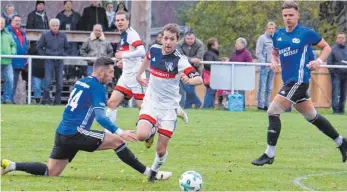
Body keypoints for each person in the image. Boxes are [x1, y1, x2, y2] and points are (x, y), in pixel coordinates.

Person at [1, 57, 172, 180]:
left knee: (51, 172)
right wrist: (120, 132)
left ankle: (13, 165)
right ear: (100, 71)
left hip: (62, 133)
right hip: (76, 133)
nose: (113, 76)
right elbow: (100, 117)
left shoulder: (81, 81)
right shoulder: (97, 87)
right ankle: (151, 174)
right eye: (111, 72)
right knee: (118, 141)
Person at [251, 1, 347, 166]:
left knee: (272, 111)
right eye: (285, 15)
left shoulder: (305, 33)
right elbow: (274, 53)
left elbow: (326, 48)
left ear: (298, 15)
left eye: (291, 15)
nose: (288, 18)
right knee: (312, 117)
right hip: (289, 81)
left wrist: (318, 61)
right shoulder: (278, 35)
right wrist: (273, 62)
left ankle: (269, 154)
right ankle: (341, 142)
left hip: (299, 80)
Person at [136, 23, 203, 182]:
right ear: (161, 38)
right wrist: (139, 75)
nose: (168, 42)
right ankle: (151, 131)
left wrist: (189, 80)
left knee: (160, 150)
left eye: (172, 39)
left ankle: (153, 171)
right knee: (141, 135)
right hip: (151, 103)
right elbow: (146, 59)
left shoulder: (180, 60)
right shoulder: (154, 50)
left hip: (168, 108)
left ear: (176, 40)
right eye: (165, 38)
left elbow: (199, 79)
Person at [106, 11, 188, 125]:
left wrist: (123, 55)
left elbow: (141, 51)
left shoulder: (131, 34)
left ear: (128, 21)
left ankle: (173, 110)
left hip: (136, 76)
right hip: (126, 76)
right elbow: (132, 54)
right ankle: (109, 135)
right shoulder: (124, 34)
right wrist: (124, 61)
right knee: (111, 103)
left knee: (144, 109)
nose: (119, 22)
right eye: (117, 20)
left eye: (122, 20)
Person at [256, 22, 276, 111]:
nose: (271, 30)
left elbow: (276, 52)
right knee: (262, 86)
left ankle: (267, 105)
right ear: (266, 29)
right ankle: (260, 105)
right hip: (265, 65)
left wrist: (275, 61)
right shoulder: (262, 38)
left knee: (269, 87)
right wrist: (264, 62)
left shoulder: (275, 39)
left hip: (273, 65)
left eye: (273, 28)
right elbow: (258, 52)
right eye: (269, 28)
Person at [327, 32, 347, 114]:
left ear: (345, 39)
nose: (341, 39)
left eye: (343, 37)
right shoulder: (332, 49)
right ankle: (336, 110)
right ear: (336, 39)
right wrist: (333, 73)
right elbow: (329, 62)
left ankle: (342, 110)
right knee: (335, 93)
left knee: (344, 93)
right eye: (339, 37)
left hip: (345, 75)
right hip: (336, 75)